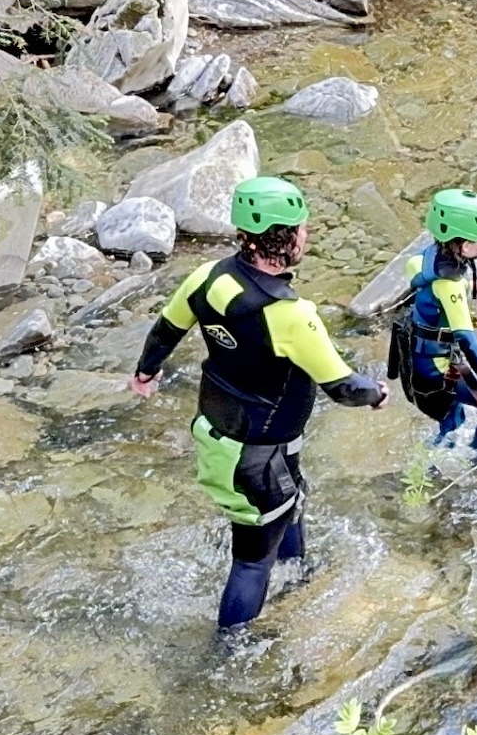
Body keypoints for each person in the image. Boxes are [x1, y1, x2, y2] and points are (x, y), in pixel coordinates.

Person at [128, 176, 389, 632]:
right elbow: (342, 387)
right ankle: (229, 651)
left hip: (226, 430)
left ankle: (299, 577)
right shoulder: (291, 315)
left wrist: (146, 373)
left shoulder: (207, 278)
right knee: (251, 561)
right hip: (255, 454)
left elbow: (167, 330)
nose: (307, 235)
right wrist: (377, 393)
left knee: (289, 505)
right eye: (304, 228)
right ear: (286, 238)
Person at [389, 187, 477, 451]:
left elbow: (425, 282)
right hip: (435, 371)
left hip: (418, 361)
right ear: (467, 245)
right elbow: (467, 339)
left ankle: (433, 461)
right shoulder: (450, 286)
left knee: (452, 418)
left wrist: (468, 286)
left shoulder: (423, 259)